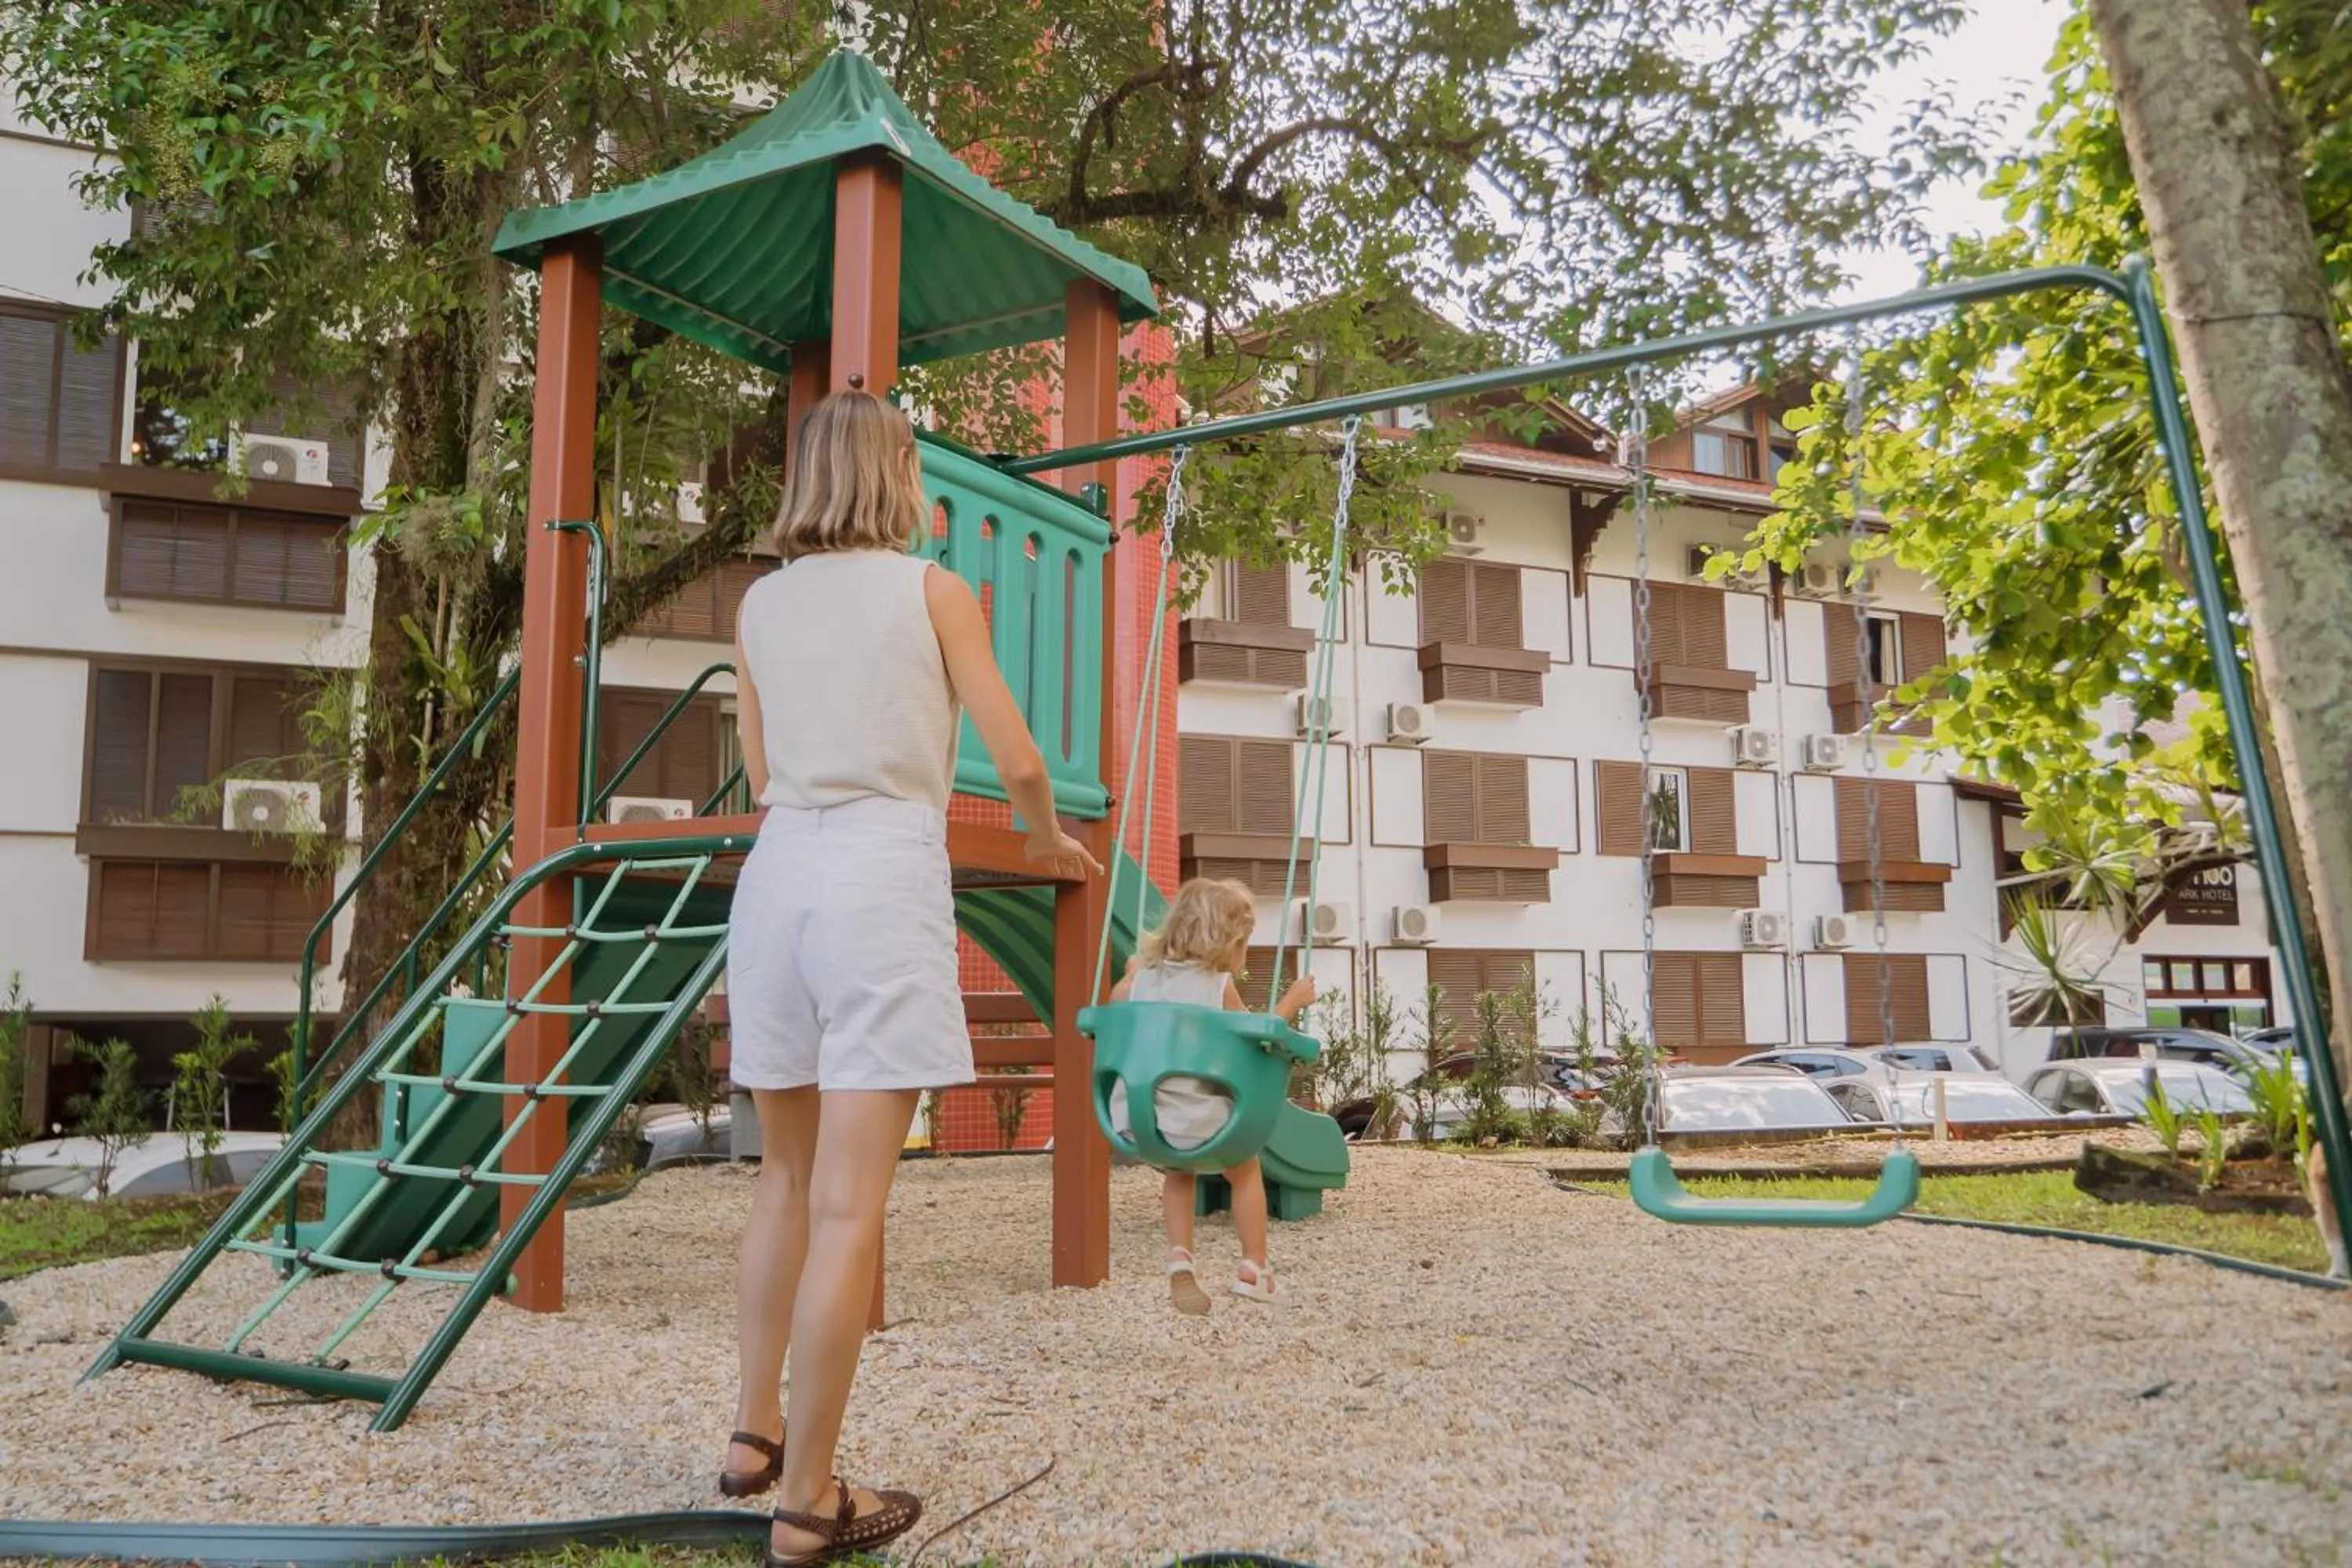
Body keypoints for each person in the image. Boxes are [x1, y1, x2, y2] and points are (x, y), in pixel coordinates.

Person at [720, 390, 1100, 1566]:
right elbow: (1019, 756)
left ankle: (752, 1437)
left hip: (776, 880)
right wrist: (1044, 838)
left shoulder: (760, 603)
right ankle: (809, 1503)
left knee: (784, 1183)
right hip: (879, 877)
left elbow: (762, 762)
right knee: (849, 1207)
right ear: (897, 471)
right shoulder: (932, 591)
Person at [1107, 877, 1314, 1314]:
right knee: (1245, 1169)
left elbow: (1111, 1008)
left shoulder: (1140, 982)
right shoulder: (1217, 986)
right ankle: (1255, 1269)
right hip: (1199, 1122)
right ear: (1228, 942)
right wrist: (1292, 1002)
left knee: (1178, 1171)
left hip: (1141, 1121)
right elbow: (1259, 1038)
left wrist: (1129, 974)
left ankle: (1180, 1257)